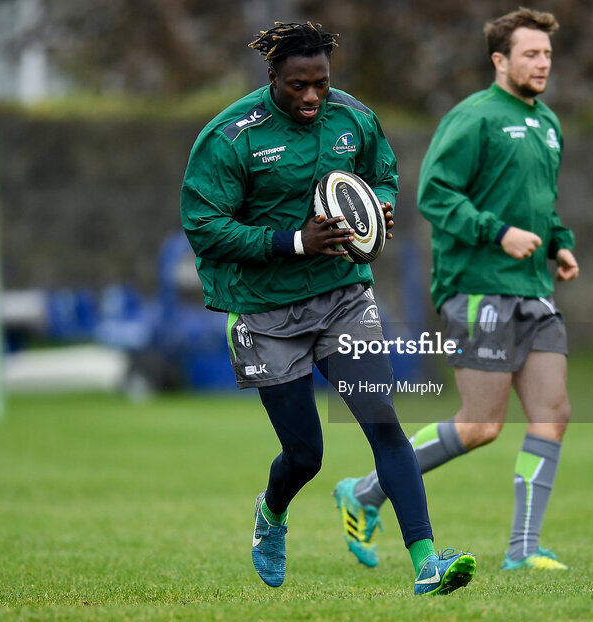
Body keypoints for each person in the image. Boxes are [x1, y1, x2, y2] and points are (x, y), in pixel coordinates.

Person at [179, 21, 476, 595]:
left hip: (342, 297)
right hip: (267, 313)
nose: (313, 97)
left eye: (321, 83)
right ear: (273, 77)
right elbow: (205, 227)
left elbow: (381, 172)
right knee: (305, 454)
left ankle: (427, 564)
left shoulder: (353, 117)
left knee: (384, 425)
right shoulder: (231, 137)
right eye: (298, 85)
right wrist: (295, 240)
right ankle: (271, 513)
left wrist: (378, 207)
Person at [333, 8, 579, 573]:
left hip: (533, 288)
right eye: (530, 54)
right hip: (476, 289)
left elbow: (542, 201)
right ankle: (365, 492)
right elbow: (435, 196)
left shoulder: (548, 123)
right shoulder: (473, 118)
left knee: (554, 412)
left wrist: (558, 242)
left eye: (546, 55)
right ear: (500, 60)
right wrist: (498, 233)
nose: (542, 64)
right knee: (481, 424)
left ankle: (523, 549)